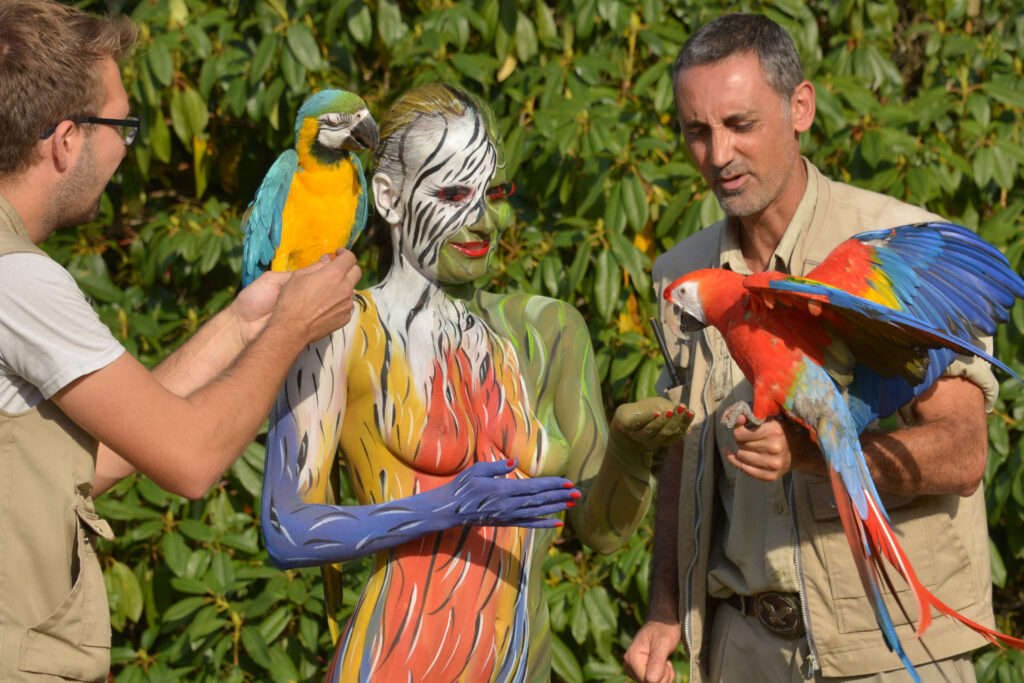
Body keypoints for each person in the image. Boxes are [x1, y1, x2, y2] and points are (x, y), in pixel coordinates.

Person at [259, 83, 691, 681]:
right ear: (386, 196)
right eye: (454, 192)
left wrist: (628, 450)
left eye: (494, 192)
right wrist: (444, 507)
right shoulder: (339, 329)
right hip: (393, 661)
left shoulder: (548, 329)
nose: (483, 218)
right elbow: (286, 528)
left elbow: (601, 532)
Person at [623, 12, 998, 683]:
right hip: (742, 651)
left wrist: (814, 453)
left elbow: (965, 450)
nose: (718, 155)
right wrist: (665, 608)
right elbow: (684, 448)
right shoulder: (681, 277)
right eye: (696, 132)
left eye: (740, 124)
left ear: (801, 108)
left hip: (887, 656)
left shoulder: (892, 239)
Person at [0, 1, 361, 680]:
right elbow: (190, 460)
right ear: (67, 141)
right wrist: (291, 329)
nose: (125, 149)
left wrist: (241, 324)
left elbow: (95, 457)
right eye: (122, 126)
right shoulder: (17, 281)